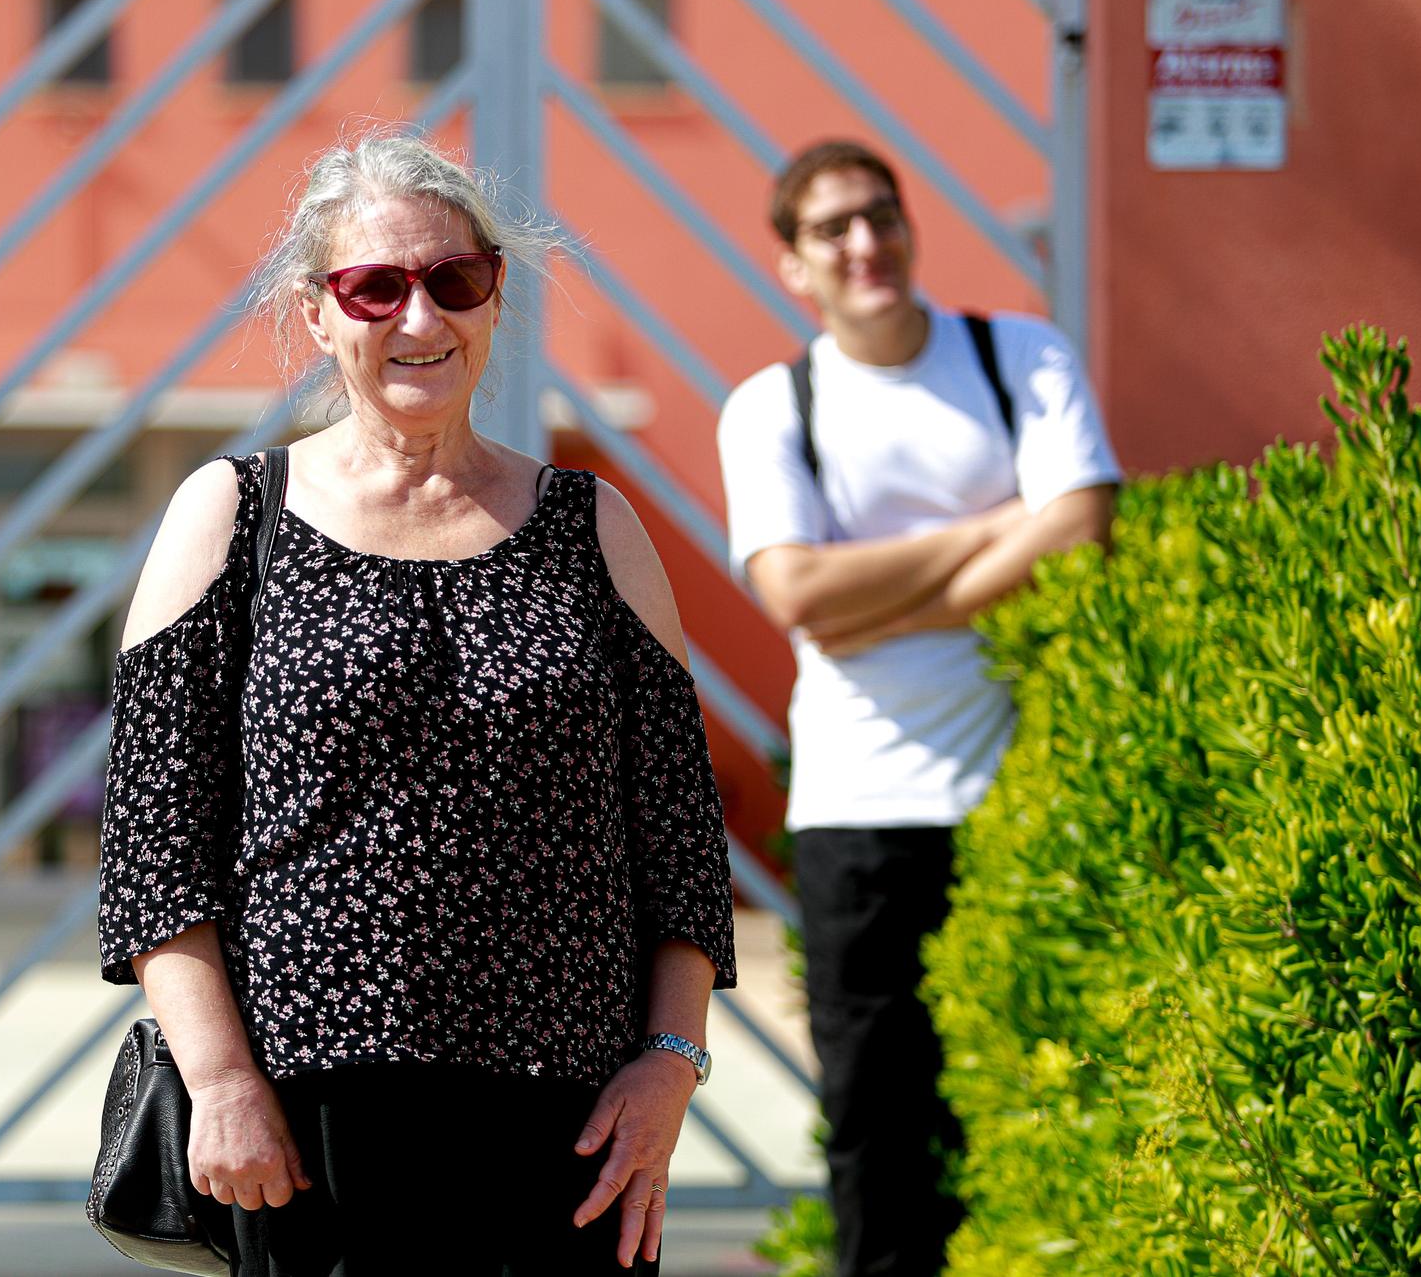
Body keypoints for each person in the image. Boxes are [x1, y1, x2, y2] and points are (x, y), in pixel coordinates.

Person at [98, 130, 737, 1277]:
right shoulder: (229, 514)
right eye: (374, 286)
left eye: (453, 281)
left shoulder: (593, 527)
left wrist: (670, 1060)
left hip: (570, 1123)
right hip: (307, 1116)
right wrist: (221, 1081)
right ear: (316, 311)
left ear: (493, 300)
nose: (417, 318)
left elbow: (679, 839)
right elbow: (153, 845)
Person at [715, 140, 1120, 1275]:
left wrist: (876, 598)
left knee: (1036, 1106)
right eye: (831, 229)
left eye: (880, 216)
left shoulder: (1014, 356)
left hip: (1025, 798)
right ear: (793, 266)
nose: (864, 244)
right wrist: (1001, 527)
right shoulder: (771, 407)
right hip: (860, 815)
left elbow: (1082, 525)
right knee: (875, 1126)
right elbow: (793, 590)